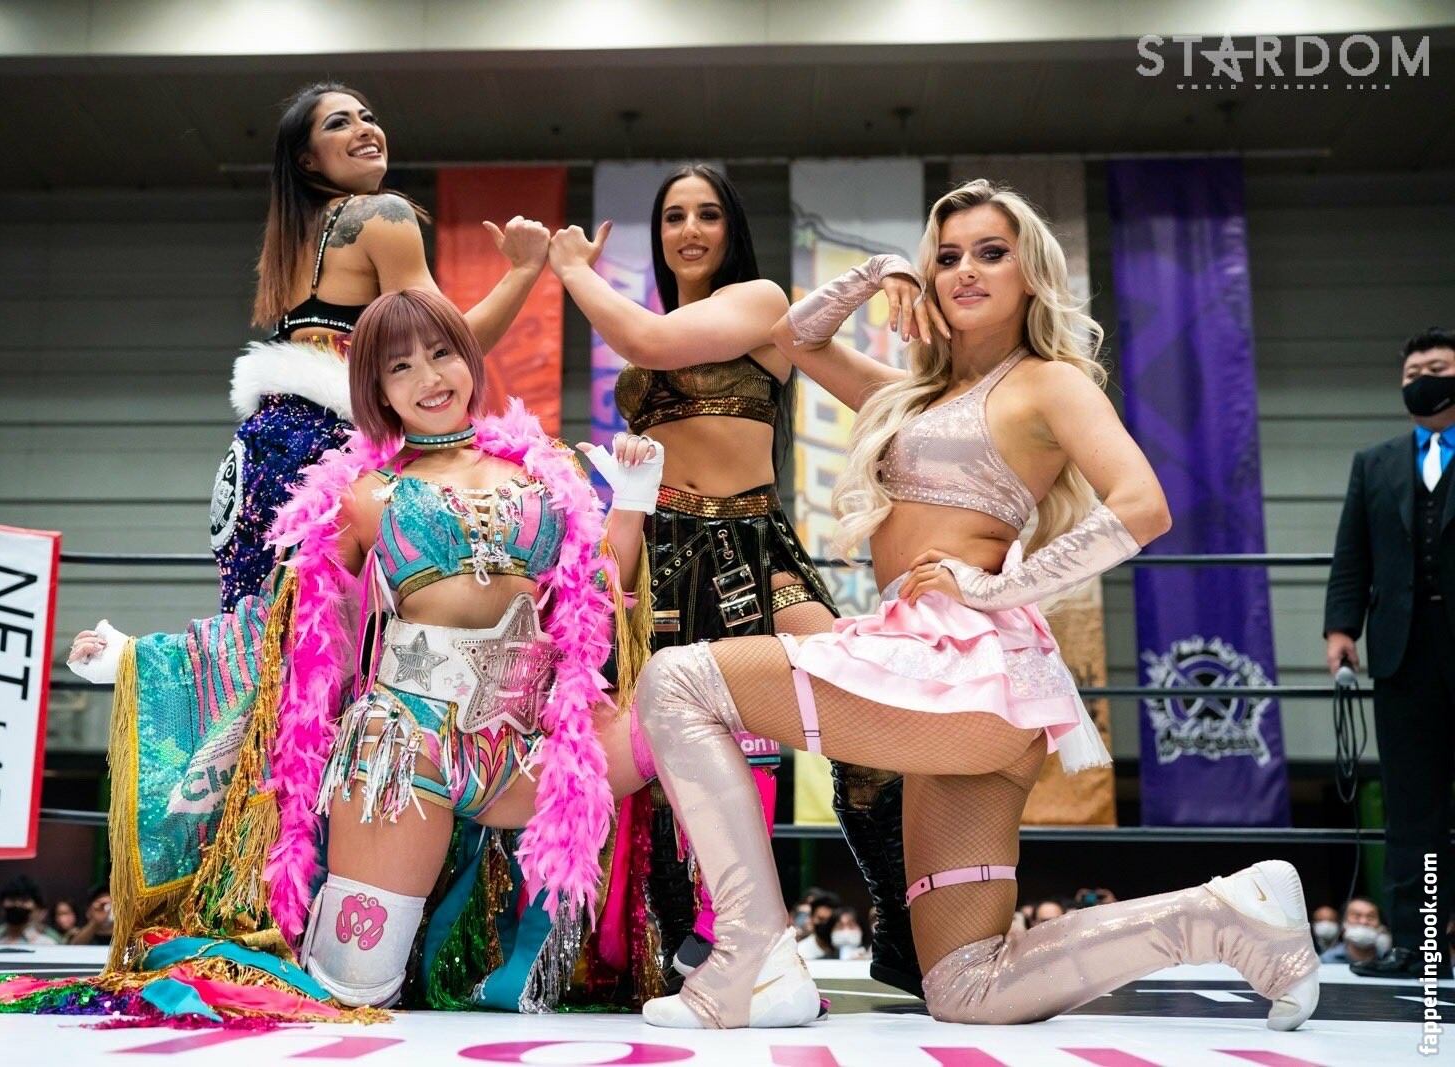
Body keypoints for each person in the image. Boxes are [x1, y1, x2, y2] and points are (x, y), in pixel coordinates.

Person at [631, 179, 1319, 1031]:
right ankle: (1228, 914)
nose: (965, 270)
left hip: (963, 666)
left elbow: (1143, 505)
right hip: (951, 694)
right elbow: (795, 338)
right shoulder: (908, 395)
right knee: (965, 985)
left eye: (991, 253)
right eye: (948, 256)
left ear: (1031, 273)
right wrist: (879, 270)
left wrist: (994, 587)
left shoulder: (1050, 383)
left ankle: (752, 955)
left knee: (676, 682)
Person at [52, 288, 662, 1020]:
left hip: (537, 752)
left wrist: (634, 498)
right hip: (404, 756)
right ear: (375, 388)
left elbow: (597, 600)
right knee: (353, 992)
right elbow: (291, 631)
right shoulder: (361, 495)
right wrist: (139, 657)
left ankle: (737, 944)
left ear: (469, 359)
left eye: (441, 353)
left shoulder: (549, 471)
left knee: (687, 703)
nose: (428, 377)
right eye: (400, 367)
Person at [548, 163, 916, 995]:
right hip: (664, 550)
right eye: (674, 215)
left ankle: (898, 921)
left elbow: (645, 344)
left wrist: (571, 269)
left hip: (753, 546)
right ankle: (676, 943)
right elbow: (650, 345)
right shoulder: (665, 321)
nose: (690, 229)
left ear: (731, 228)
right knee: (655, 752)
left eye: (708, 213)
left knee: (865, 709)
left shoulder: (760, 302)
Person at [215, 81, 549, 611]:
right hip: (326, 455)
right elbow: (448, 351)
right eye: (339, 123)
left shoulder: (291, 238)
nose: (364, 129)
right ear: (306, 159)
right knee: (339, 638)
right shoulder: (380, 215)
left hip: (256, 454)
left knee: (262, 633)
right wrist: (525, 271)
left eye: (367, 117)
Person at [1324, 326, 1455, 979]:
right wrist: (1340, 630)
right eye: (1412, 374)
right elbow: (1352, 556)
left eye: (1437, 369)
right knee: (1411, 809)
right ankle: (1417, 945)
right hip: (1402, 653)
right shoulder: (1374, 463)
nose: (1423, 381)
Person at [0, 876, 60, 946]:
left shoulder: (47, 945)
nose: (17, 905)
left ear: (36, 908)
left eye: (24, 900)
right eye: (12, 899)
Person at [1319, 897, 1387, 965]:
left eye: (1370, 917)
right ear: (1343, 923)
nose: (1363, 922)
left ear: (1381, 925)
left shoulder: (1388, 960)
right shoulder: (1325, 961)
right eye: (1356, 917)